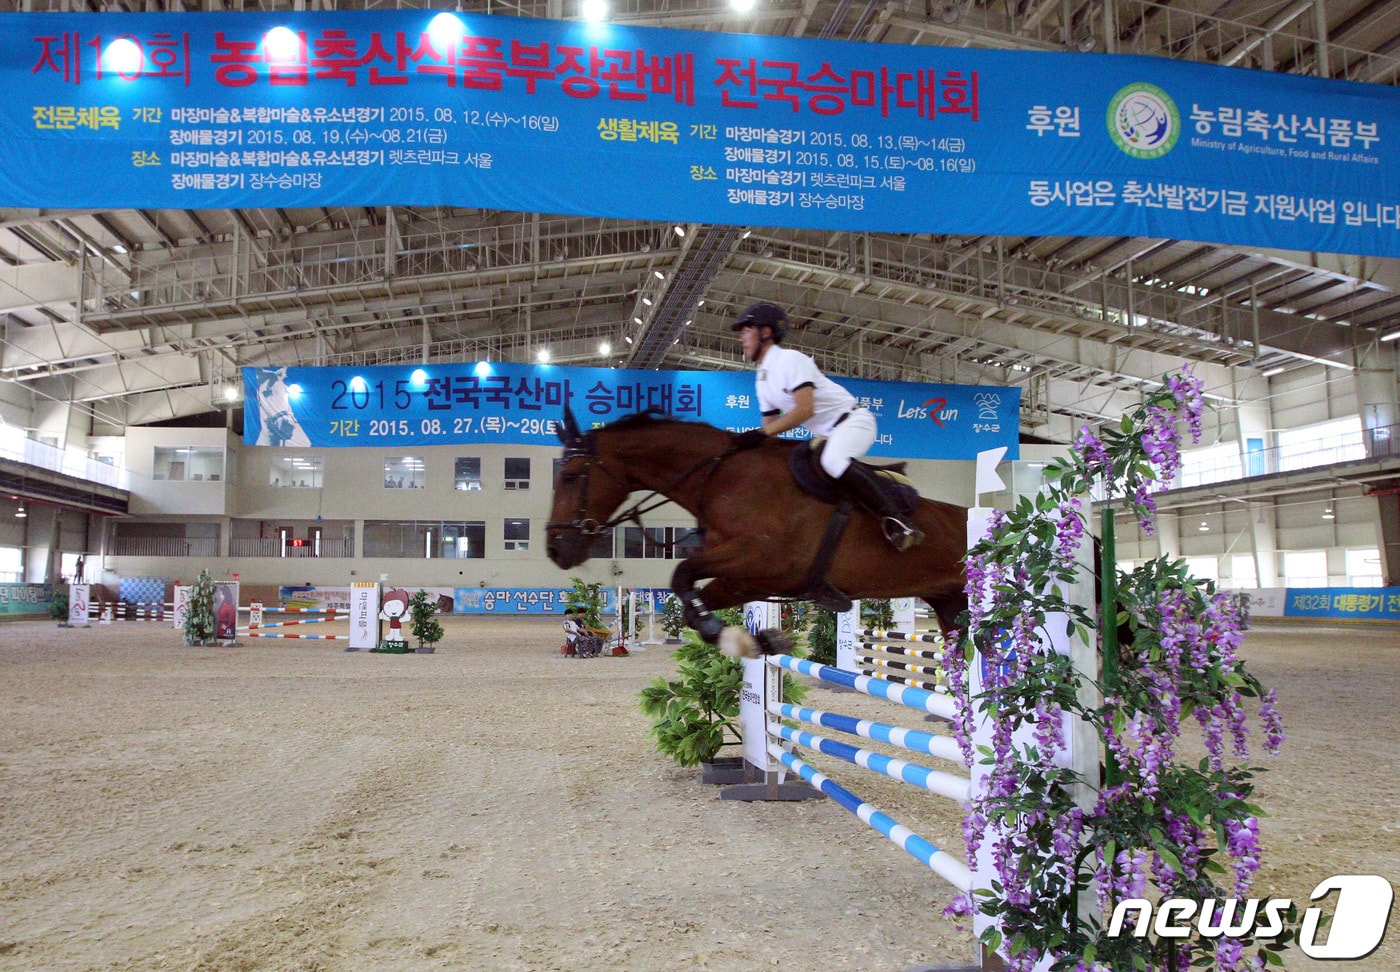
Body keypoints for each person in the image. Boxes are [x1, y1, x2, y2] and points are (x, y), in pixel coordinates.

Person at [730, 301, 924, 552]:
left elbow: (804, 409)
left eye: (746, 330)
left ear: (765, 332)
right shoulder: (762, 379)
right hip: (828, 434)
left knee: (832, 461)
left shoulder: (790, 360)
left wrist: (759, 434)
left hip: (853, 422)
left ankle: (899, 520)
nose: (742, 338)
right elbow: (770, 429)